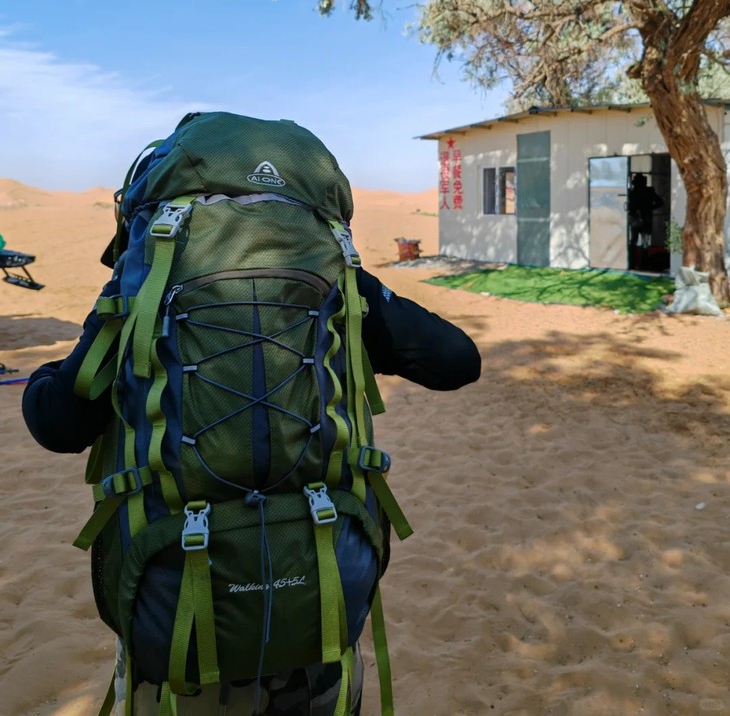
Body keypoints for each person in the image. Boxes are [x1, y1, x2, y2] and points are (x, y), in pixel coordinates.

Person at [21, 125, 481, 716]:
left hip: (181, 626)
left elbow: (58, 425)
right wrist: (356, 299)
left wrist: (45, 377)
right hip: (319, 603)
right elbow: (457, 361)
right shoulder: (336, 278)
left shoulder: (146, 276)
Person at [628, 172, 663, 251]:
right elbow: (660, 202)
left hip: (637, 217)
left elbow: (660, 202)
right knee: (644, 242)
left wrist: (649, 208)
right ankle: (643, 256)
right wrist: (650, 208)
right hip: (644, 217)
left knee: (635, 240)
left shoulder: (633, 192)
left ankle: (634, 256)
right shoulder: (648, 191)